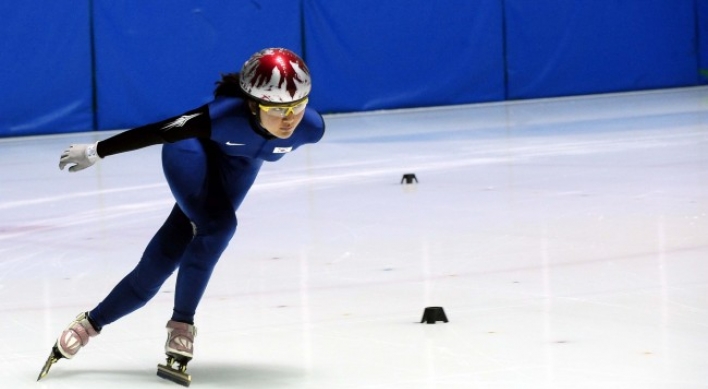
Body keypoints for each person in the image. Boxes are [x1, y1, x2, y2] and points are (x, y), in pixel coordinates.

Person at [38, 48, 325, 385]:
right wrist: (96, 150)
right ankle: (182, 325)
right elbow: (161, 130)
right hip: (190, 154)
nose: (290, 118)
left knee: (161, 263)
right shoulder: (220, 117)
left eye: (298, 106)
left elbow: (279, 128)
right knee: (218, 227)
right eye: (277, 110)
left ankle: (88, 324)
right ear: (252, 104)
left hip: (237, 168)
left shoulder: (311, 128)